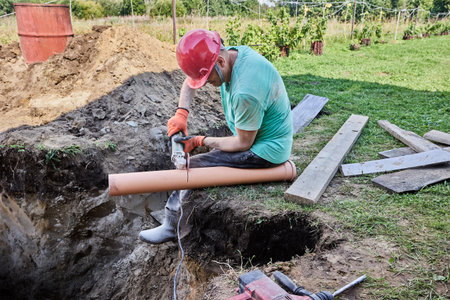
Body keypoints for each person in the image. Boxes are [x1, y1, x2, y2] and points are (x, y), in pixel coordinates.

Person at [139, 29, 293, 244]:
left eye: (206, 78)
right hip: (255, 137)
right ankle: (173, 221)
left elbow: (243, 142)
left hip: (265, 149)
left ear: (220, 62)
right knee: (210, 159)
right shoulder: (234, 55)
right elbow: (193, 78)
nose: (204, 84)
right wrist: (181, 112)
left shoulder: (245, 92)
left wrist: (201, 140)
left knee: (194, 167)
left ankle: (171, 226)